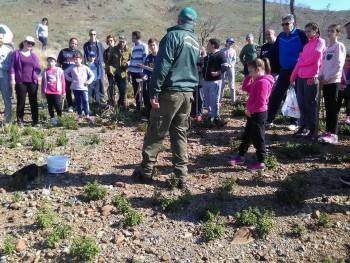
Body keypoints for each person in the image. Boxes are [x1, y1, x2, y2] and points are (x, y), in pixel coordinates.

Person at [132, 6, 200, 188]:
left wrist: (153, 91)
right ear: (193, 23)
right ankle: (181, 176)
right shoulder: (195, 40)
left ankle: (146, 173)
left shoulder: (172, 37)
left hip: (170, 93)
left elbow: (162, 66)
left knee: (156, 131)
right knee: (180, 134)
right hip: (187, 94)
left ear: (179, 20)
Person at [229, 58, 274, 172]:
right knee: (247, 135)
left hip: (258, 114)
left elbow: (261, 102)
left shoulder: (263, 82)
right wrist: (249, 76)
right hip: (253, 113)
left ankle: (261, 161)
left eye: (251, 72)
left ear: (258, 70)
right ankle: (241, 156)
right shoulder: (257, 80)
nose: (249, 74)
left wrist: (251, 110)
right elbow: (245, 87)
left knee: (258, 138)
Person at [266, 14, 308, 131]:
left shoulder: (300, 34)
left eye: (287, 24)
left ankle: (294, 122)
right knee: (276, 95)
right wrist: (261, 60)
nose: (284, 26)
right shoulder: (281, 36)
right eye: (283, 24)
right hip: (284, 70)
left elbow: (307, 49)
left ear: (293, 24)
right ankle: (268, 119)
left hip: (298, 71)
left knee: (296, 97)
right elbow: (273, 51)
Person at [290, 22, 325, 140]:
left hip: (312, 77)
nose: (307, 33)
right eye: (305, 31)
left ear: (315, 31)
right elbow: (299, 63)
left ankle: (313, 129)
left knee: (310, 103)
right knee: (302, 103)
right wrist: (292, 77)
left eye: (309, 31)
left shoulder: (320, 42)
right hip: (301, 77)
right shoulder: (306, 46)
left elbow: (316, 56)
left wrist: (303, 62)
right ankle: (303, 126)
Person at [318, 24, 346, 144]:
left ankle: (333, 133)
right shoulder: (328, 48)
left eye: (332, 31)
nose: (330, 33)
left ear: (337, 33)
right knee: (328, 107)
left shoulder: (339, 46)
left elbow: (339, 65)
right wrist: (320, 74)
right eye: (328, 31)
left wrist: (328, 77)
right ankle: (328, 131)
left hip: (334, 81)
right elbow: (323, 64)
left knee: (333, 108)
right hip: (325, 81)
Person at [10, 36, 41, 127]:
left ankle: (35, 121)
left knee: (33, 101)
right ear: (24, 42)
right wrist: (12, 79)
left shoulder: (33, 55)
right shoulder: (16, 53)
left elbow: (38, 68)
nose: (30, 45)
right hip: (20, 81)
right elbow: (12, 67)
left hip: (32, 81)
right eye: (28, 43)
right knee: (21, 102)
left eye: (32, 44)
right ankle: (20, 121)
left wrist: (35, 76)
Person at [202, 38, 227, 125]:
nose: (207, 45)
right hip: (205, 81)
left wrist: (218, 72)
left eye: (208, 44)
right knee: (207, 100)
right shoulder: (208, 56)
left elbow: (225, 66)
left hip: (215, 81)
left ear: (213, 45)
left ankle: (216, 116)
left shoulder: (221, 54)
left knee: (214, 100)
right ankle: (210, 115)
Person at [64, 53, 95, 123]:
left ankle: (87, 115)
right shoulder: (72, 67)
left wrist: (88, 81)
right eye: (74, 59)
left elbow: (92, 75)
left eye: (77, 59)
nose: (75, 60)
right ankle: (80, 116)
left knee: (85, 101)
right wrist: (70, 79)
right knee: (78, 102)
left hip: (83, 87)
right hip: (75, 87)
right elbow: (64, 73)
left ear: (81, 60)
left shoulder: (85, 67)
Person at [57, 37, 83, 112]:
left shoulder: (78, 53)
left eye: (75, 44)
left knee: (77, 91)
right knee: (68, 91)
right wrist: (59, 73)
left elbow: (82, 65)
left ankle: (78, 105)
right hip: (65, 75)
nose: (73, 45)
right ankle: (70, 105)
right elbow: (58, 64)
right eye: (72, 43)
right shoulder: (63, 52)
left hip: (76, 76)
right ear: (69, 43)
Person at [105, 36, 132, 108]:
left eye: (123, 41)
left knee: (123, 91)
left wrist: (128, 63)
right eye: (120, 41)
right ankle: (111, 104)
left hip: (123, 73)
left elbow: (132, 60)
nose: (121, 43)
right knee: (111, 89)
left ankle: (120, 105)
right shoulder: (114, 49)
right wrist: (108, 69)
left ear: (126, 42)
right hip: (113, 73)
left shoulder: (129, 50)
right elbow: (108, 61)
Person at [41, 54, 66, 126]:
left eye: (52, 61)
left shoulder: (59, 70)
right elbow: (43, 82)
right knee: (50, 106)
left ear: (55, 62)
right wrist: (43, 92)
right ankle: (52, 118)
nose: (50, 63)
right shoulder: (45, 71)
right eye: (49, 61)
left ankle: (59, 117)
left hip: (57, 91)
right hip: (48, 91)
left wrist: (63, 92)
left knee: (58, 105)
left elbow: (63, 81)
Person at [128, 31, 149, 111]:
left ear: (135, 37)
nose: (131, 38)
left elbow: (145, 59)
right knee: (136, 90)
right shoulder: (134, 48)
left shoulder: (144, 46)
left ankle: (146, 108)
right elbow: (132, 61)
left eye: (132, 36)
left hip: (140, 73)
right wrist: (129, 72)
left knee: (144, 90)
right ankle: (138, 107)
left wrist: (143, 71)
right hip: (133, 72)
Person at [83, 29, 105, 101]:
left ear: (96, 35)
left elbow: (103, 54)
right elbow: (85, 55)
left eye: (94, 34)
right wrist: (86, 64)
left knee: (100, 81)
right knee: (90, 81)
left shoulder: (99, 44)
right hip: (90, 65)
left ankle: (100, 98)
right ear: (89, 35)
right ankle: (91, 98)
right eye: (91, 34)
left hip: (98, 66)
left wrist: (103, 62)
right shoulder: (86, 45)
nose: (93, 36)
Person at [142, 38, 158, 119]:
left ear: (157, 45)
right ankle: (149, 116)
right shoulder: (148, 58)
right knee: (149, 98)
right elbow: (145, 70)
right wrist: (145, 75)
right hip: (150, 83)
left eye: (153, 45)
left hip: (160, 83)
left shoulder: (162, 57)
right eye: (150, 46)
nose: (152, 47)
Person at [191, 46, 206, 121]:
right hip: (192, 81)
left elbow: (204, 69)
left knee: (200, 97)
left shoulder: (203, 59)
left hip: (200, 80)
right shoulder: (192, 58)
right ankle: (193, 112)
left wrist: (200, 69)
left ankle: (199, 113)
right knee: (193, 97)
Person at [0, 32, 12, 123]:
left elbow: (10, 67)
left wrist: (0, 66)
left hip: (4, 79)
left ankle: (7, 120)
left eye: (0, 38)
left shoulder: (8, 51)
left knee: (7, 100)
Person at [220, 37, 236, 104]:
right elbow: (219, 59)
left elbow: (234, 60)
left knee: (231, 84)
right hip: (223, 68)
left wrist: (230, 65)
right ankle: (219, 100)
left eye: (232, 43)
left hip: (230, 68)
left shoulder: (233, 51)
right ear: (226, 43)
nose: (230, 44)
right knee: (222, 84)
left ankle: (233, 100)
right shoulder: (222, 50)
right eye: (229, 43)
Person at [103, 35, 116, 105]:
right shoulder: (106, 51)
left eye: (111, 40)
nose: (110, 42)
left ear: (114, 41)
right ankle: (111, 102)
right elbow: (105, 62)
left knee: (120, 88)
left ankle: (121, 103)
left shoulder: (118, 49)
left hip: (118, 72)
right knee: (110, 86)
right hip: (109, 72)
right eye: (108, 41)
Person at [339, 54, 350, 124]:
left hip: (348, 89)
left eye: (349, 61)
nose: (347, 62)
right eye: (345, 60)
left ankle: (348, 116)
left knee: (347, 102)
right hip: (340, 88)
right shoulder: (340, 68)